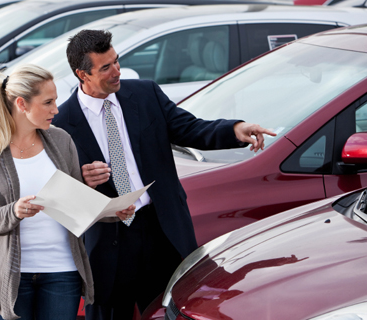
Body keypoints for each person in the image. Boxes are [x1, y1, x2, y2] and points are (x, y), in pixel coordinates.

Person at [52, 30, 276, 320]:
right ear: (82, 74)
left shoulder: (145, 94)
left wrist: (235, 130)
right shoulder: (61, 123)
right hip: (107, 242)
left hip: (159, 230)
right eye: (106, 67)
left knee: (166, 312)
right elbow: (56, 195)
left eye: (117, 61)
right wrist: (81, 179)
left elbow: (192, 129)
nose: (117, 71)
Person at [0, 64, 133, 320]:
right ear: (22, 104)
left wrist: (112, 211)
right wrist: (14, 211)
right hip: (10, 275)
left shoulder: (62, 140)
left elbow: (75, 204)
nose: (56, 109)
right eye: (48, 102)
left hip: (62, 273)